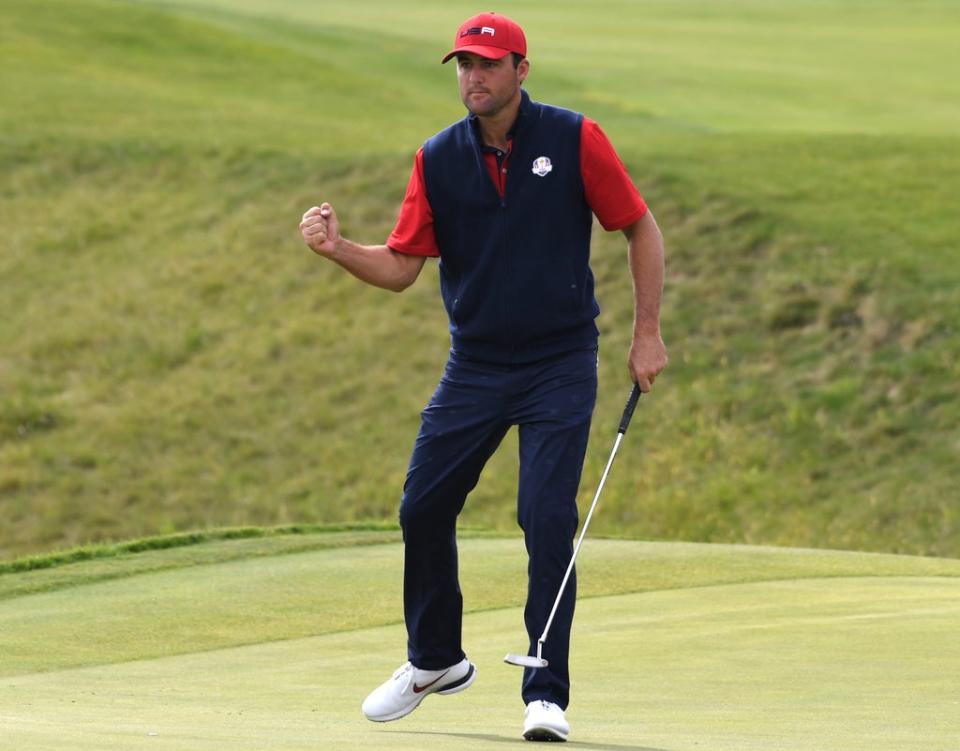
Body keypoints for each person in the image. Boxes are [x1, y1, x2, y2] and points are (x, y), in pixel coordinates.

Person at [299, 11, 666, 743]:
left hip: (560, 360)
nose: (474, 77)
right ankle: (434, 659)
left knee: (546, 515)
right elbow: (403, 266)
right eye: (464, 65)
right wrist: (340, 249)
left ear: (520, 72)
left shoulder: (573, 138)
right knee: (422, 506)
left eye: (488, 65)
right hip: (476, 362)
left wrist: (646, 331)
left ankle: (545, 689)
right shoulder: (437, 157)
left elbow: (638, 225)